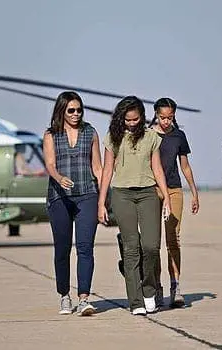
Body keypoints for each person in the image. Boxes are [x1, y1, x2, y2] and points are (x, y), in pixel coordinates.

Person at [98, 96, 171, 315]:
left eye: (136, 119)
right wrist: (101, 202)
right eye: (128, 120)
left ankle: (149, 290)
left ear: (142, 117)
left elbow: (157, 168)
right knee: (131, 249)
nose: (132, 123)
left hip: (148, 193)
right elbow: (107, 170)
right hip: (122, 195)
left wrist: (166, 196)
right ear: (121, 118)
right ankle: (136, 301)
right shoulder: (113, 137)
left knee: (151, 246)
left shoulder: (151, 137)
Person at [43, 91, 103, 316]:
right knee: (62, 249)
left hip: (87, 194)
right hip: (60, 197)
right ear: (62, 111)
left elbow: (97, 166)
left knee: (85, 247)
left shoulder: (90, 133)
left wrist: (106, 194)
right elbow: (49, 163)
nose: (76, 114)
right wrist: (59, 178)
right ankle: (64, 295)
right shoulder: (51, 135)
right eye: (71, 110)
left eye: (79, 110)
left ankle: (84, 298)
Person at [149, 97, 200, 308]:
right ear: (155, 114)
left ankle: (175, 285)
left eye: (170, 117)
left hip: (174, 188)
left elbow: (185, 166)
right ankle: (156, 288)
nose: (166, 121)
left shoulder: (179, 136)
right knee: (153, 241)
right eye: (162, 117)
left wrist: (194, 192)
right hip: (151, 189)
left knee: (173, 238)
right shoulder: (147, 135)